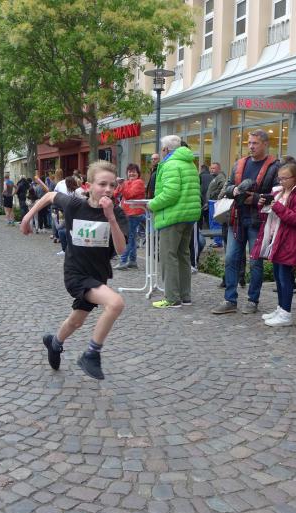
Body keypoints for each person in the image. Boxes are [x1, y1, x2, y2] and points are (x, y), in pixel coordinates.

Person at [20, 161, 127, 380]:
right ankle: (91, 354)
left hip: (98, 275)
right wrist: (27, 217)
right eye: (102, 184)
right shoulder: (75, 205)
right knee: (115, 303)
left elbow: (121, 249)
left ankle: (54, 343)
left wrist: (111, 218)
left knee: (76, 321)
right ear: (89, 185)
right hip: (76, 273)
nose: (107, 189)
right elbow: (49, 196)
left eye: (112, 185)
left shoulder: (116, 212)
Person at [212, 130, 280, 315]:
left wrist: (255, 198)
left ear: (265, 144)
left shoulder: (274, 166)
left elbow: (278, 194)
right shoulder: (239, 164)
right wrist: (234, 190)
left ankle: (252, 300)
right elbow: (226, 187)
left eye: (255, 143)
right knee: (230, 258)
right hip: (236, 218)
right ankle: (230, 300)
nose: (251, 146)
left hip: (258, 220)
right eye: (249, 143)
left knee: (255, 262)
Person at [252, 163, 296, 327]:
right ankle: (280, 308)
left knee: (285, 278)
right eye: (280, 178)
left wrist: (277, 207)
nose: (281, 181)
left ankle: (286, 313)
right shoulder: (277, 192)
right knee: (278, 276)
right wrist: (262, 204)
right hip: (276, 239)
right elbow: (266, 215)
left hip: (289, 241)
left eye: (285, 178)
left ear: (295, 178)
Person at [149, 136, 201, 308]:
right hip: (188, 215)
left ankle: (172, 298)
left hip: (173, 216)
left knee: (168, 256)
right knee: (183, 255)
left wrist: (152, 204)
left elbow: (170, 194)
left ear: (165, 149)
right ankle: (185, 296)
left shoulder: (170, 164)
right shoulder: (189, 163)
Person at [114, 163, 146, 270]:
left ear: (138, 173)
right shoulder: (126, 182)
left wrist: (122, 185)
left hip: (134, 213)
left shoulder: (139, 182)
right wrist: (119, 185)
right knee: (131, 237)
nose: (131, 173)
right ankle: (132, 261)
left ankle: (123, 261)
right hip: (127, 213)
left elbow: (129, 195)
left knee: (128, 238)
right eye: (129, 172)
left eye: (134, 172)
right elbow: (115, 194)